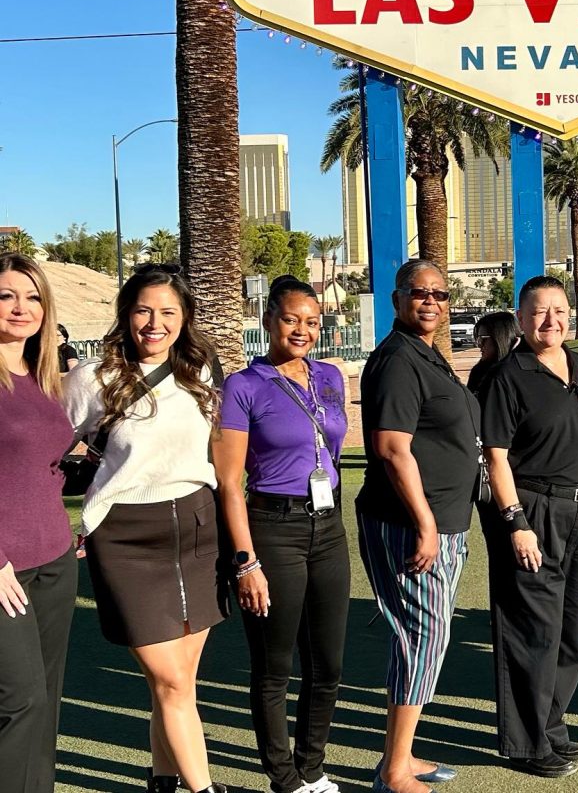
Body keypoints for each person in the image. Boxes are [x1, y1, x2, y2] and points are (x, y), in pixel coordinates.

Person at [62, 263, 229, 793]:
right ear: (125, 315)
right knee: (172, 680)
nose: (154, 323)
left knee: (178, 684)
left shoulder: (200, 369)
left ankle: (163, 782)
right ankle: (203, 790)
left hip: (198, 528)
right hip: (126, 535)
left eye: (168, 312)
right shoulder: (92, 378)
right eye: (143, 310)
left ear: (185, 319)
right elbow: (37, 448)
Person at [216, 276, 349, 793]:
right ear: (269, 319)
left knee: (329, 662)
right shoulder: (243, 385)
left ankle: (312, 767)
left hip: (329, 527)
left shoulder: (331, 377)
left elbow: (332, 450)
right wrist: (245, 560)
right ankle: (284, 777)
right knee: (275, 665)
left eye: (312, 322)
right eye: (291, 319)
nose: (302, 330)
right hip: (273, 529)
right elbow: (229, 481)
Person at [357, 260, 480, 793]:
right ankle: (394, 771)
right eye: (419, 292)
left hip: (442, 520)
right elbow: (391, 448)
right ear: (397, 298)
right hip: (411, 526)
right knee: (424, 639)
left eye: (439, 293)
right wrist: (426, 524)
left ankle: (400, 756)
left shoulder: (425, 353)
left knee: (417, 640)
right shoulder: (397, 360)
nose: (430, 301)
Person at [481, 275, 578, 779]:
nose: (550, 320)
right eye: (538, 312)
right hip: (533, 511)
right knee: (532, 633)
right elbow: (496, 456)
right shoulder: (507, 376)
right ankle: (527, 744)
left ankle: (551, 728)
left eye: (559, 310)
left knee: (570, 635)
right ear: (521, 318)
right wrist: (516, 522)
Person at [0, 254, 78, 793]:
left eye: (32, 297)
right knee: (20, 698)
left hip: (53, 558)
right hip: (4, 569)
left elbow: (45, 464)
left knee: (46, 697)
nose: (20, 308)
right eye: (6, 296)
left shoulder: (48, 379)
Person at [467, 311, 520, 396]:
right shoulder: (478, 372)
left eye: (483, 339)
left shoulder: (522, 373)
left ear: (500, 338)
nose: (479, 344)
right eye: (478, 339)